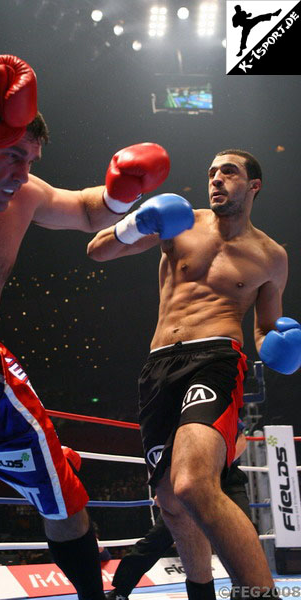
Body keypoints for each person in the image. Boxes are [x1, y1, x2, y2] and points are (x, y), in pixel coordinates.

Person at [0, 55, 171, 596]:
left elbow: (91, 211)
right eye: (13, 155)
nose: (23, 173)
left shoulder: (24, 198)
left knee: (63, 495)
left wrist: (126, 195)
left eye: (32, 159)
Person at [88, 148, 301, 599]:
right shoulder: (179, 221)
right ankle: (200, 593)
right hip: (159, 364)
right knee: (172, 503)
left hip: (217, 359)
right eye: (211, 172)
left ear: (253, 185)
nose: (216, 179)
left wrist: (281, 347)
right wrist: (135, 222)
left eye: (229, 171)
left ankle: (260, 594)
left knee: (192, 482)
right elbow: (98, 250)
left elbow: (264, 329)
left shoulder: (271, 256)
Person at [106, 428, 252, 600]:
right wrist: (165, 487)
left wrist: (211, 468)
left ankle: (243, 594)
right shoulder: (172, 413)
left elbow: (241, 439)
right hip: (187, 481)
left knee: (244, 540)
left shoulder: (220, 403)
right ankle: (120, 592)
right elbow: (164, 452)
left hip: (225, 478)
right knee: (159, 537)